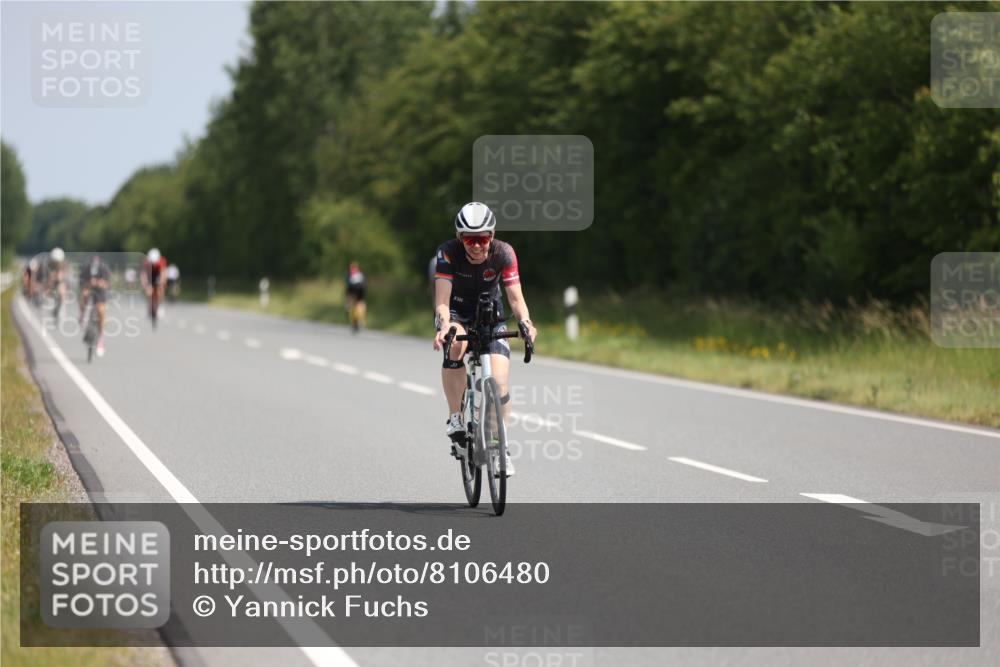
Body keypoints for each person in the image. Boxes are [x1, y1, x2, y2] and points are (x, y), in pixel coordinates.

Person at [431, 202, 537, 477]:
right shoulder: (448, 252)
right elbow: (442, 301)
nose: (476, 246)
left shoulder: (504, 252)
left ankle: (499, 448)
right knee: (455, 344)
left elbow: (516, 297)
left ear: (491, 235)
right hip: (456, 313)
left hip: (491, 314)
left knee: (500, 383)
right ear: (459, 238)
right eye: (469, 239)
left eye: (482, 239)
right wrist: (444, 326)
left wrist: (525, 322)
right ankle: (456, 416)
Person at [78, 254, 111, 357]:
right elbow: (81, 283)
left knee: (101, 311)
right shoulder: (86, 268)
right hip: (89, 288)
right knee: (84, 295)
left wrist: (101, 284)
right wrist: (88, 285)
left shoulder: (104, 269)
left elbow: (108, 284)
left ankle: (101, 337)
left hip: (101, 292)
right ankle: (82, 315)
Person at [141, 248, 168, 318]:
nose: (153, 265)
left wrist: (161, 284)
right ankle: (149, 308)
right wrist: (145, 285)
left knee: (160, 291)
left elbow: (163, 274)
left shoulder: (162, 261)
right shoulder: (146, 262)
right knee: (148, 292)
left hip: (158, 275)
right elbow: (143, 275)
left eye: (154, 263)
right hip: (150, 276)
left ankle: (160, 306)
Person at [345, 261, 367, 333]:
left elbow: (363, 285)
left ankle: (359, 320)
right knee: (351, 307)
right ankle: (356, 321)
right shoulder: (351, 275)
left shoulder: (358, 275)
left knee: (357, 306)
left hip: (358, 293)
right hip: (353, 293)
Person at [45, 247, 68, 317]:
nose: (57, 263)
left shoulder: (63, 264)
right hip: (52, 281)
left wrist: (61, 277)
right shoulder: (49, 264)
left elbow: (65, 273)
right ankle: (50, 301)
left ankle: (62, 306)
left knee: (62, 291)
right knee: (49, 289)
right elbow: (48, 276)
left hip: (60, 281)